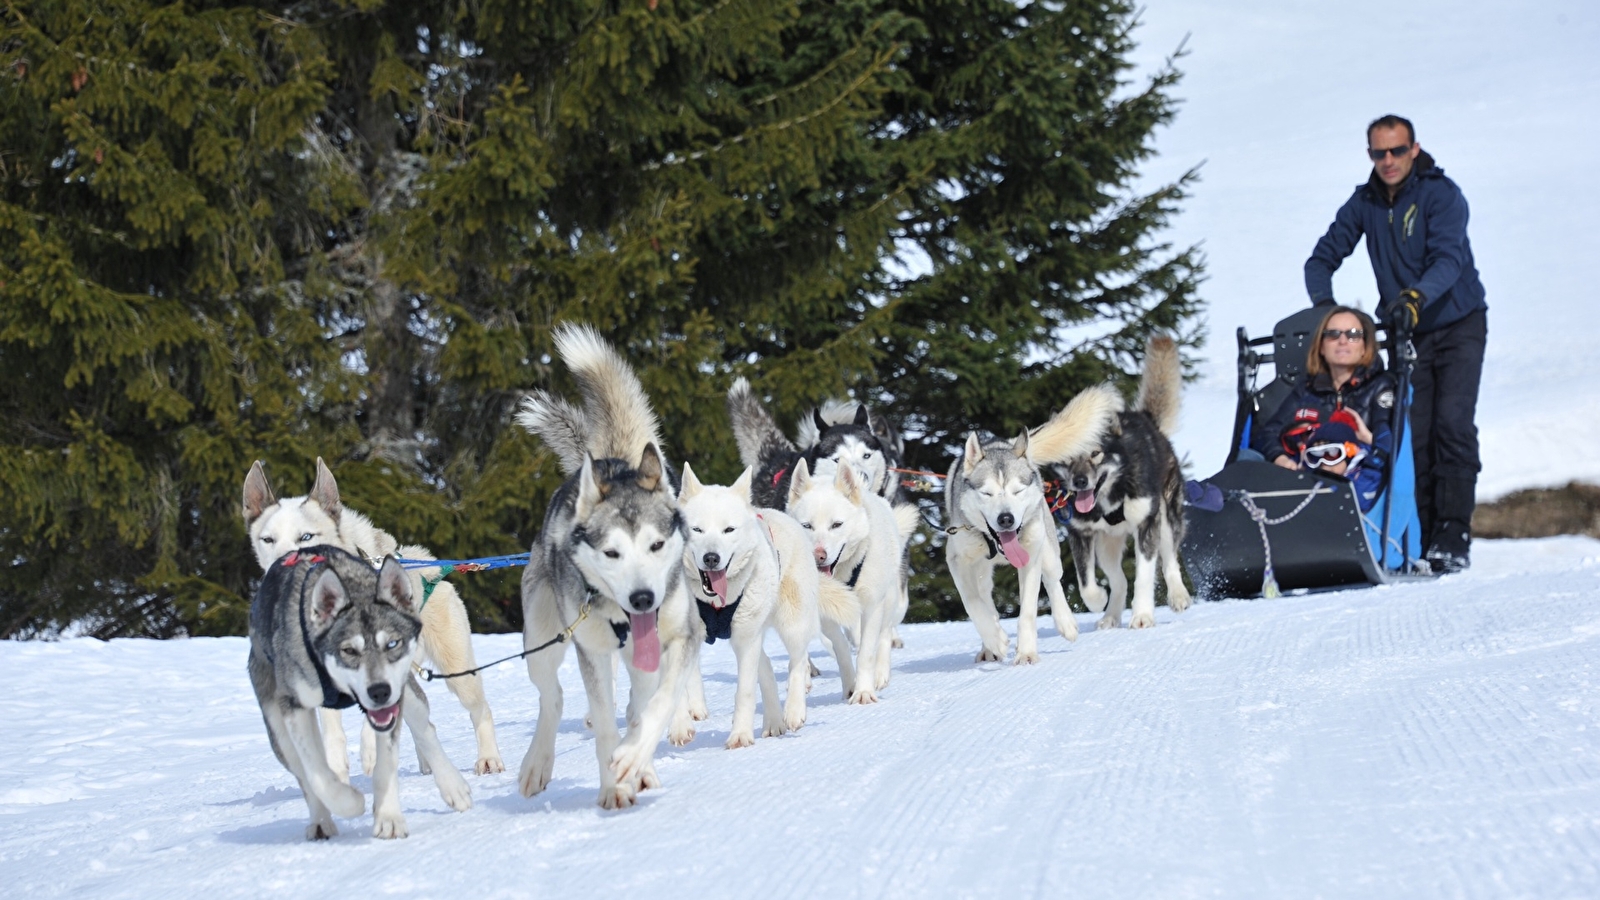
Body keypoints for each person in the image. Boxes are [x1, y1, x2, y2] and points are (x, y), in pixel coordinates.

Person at [1304, 114, 1487, 574]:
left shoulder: (1441, 195)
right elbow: (1321, 259)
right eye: (1378, 153)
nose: (1388, 161)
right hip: (1407, 333)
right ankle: (1419, 538)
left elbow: (1449, 259)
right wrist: (1328, 313)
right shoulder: (1364, 202)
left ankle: (1453, 535)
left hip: (1457, 323)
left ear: (1414, 149)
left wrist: (1414, 297)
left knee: (1452, 425)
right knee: (1412, 433)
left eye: (1397, 151)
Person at [1248, 305, 1396, 480]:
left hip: (1359, 482)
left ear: (1365, 347)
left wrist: (1366, 438)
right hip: (1305, 478)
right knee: (1247, 460)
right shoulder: (1306, 390)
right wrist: (1281, 458)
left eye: (1353, 335)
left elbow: (1393, 444)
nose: (1343, 340)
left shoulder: (1380, 386)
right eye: (1333, 334)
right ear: (1322, 347)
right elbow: (1268, 433)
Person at [1299, 409, 1384, 512]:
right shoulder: (1312, 480)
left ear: (1350, 452)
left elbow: (1359, 501)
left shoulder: (1370, 473)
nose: (1324, 463)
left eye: (1331, 453)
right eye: (1316, 456)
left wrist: (1369, 439)